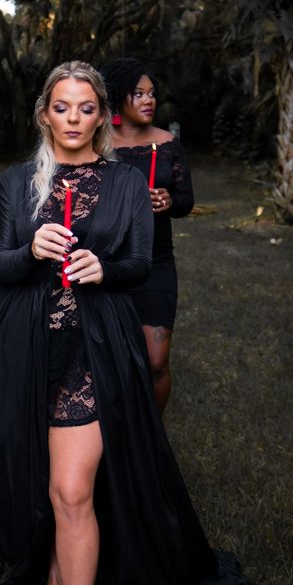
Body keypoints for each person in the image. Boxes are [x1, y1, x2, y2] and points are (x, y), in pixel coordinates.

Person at [0, 61, 247, 585]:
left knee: (70, 486)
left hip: (95, 345)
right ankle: (56, 579)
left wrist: (101, 269)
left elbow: (140, 264)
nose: (74, 120)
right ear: (44, 113)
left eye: (86, 108)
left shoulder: (125, 184)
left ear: (101, 115)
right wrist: (30, 251)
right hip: (25, 343)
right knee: (43, 475)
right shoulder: (14, 182)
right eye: (62, 108)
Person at [100, 58, 194, 411]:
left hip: (157, 261)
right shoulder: (100, 146)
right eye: (137, 94)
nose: (148, 100)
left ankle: (153, 436)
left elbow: (186, 201)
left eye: (151, 94)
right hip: (112, 263)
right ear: (119, 97)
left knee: (155, 360)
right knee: (115, 360)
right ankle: (120, 431)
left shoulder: (168, 143)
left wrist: (169, 200)